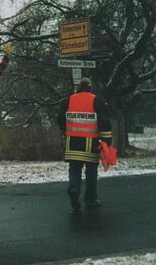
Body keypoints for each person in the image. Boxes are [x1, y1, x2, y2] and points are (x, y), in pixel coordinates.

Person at [56, 77, 113, 212]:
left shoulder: (69, 99)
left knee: (74, 169)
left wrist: (65, 131)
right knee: (91, 170)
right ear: (90, 87)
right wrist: (107, 141)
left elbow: (59, 118)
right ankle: (91, 199)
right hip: (91, 144)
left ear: (78, 87)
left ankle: (74, 189)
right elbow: (104, 122)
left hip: (72, 143)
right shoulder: (96, 100)